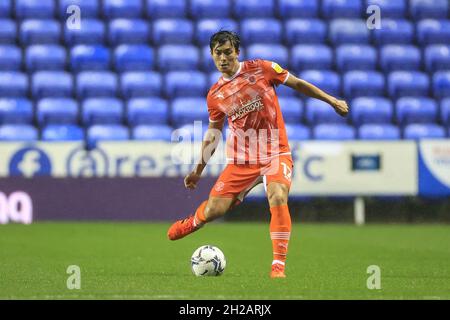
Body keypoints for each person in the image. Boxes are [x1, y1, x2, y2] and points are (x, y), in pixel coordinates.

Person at [167, 31, 348, 278]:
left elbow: (297, 83)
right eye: (218, 53)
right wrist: (198, 170)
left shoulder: (262, 69)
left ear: (237, 52)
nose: (223, 58)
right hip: (242, 161)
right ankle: (195, 222)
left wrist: (331, 100)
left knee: (277, 195)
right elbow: (213, 133)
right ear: (211, 55)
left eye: (228, 52)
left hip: (275, 152)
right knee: (214, 210)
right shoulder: (215, 96)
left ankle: (278, 266)